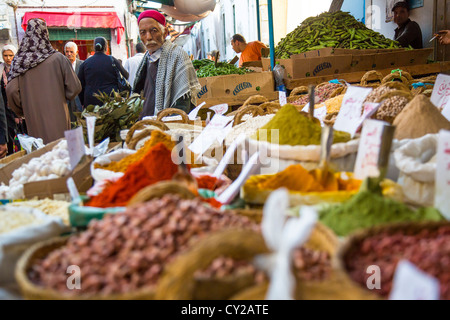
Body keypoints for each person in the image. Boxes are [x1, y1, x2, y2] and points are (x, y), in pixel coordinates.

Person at [6, 18, 82, 144]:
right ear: (45, 34)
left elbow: (11, 90)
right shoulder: (59, 59)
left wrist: (24, 109)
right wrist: (62, 97)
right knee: (60, 155)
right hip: (59, 118)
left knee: (40, 156)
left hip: (33, 119)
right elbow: (75, 88)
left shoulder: (19, 61)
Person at [133, 10, 201, 118]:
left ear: (164, 33)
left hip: (169, 125)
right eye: (143, 32)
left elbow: (183, 102)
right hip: (147, 124)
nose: (148, 37)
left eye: (153, 31)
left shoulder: (178, 56)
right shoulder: (145, 60)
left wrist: (172, 124)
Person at [77, 37, 129, 108]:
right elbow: (126, 75)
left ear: (94, 47)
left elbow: (80, 85)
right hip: (111, 100)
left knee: (93, 119)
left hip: (91, 102)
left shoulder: (85, 63)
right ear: (106, 47)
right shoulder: (112, 60)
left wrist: (82, 101)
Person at [1, 45, 22, 155]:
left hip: (20, 110)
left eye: (11, 55)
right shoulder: (1, 71)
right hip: (6, 111)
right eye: (5, 56)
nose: (8, 58)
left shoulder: (20, 69)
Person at [64, 41, 84, 122]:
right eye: (67, 52)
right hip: (67, 102)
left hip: (79, 101)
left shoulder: (82, 65)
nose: (69, 54)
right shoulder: (62, 65)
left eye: (71, 52)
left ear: (77, 52)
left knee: (80, 125)